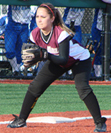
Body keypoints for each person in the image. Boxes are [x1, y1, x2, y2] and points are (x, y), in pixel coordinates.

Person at [7, 3, 107, 132]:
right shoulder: (35, 34)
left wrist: (45, 54)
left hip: (79, 60)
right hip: (56, 60)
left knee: (82, 87)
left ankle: (100, 122)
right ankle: (21, 120)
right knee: (35, 86)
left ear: (52, 18)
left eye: (43, 16)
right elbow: (31, 52)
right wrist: (31, 59)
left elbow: (64, 59)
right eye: (37, 16)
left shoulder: (61, 34)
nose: (39, 19)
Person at [5, 5, 33, 76]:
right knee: (9, 50)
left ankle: (16, 72)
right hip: (12, 24)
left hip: (25, 26)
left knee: (20, 52)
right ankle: (15, 69)